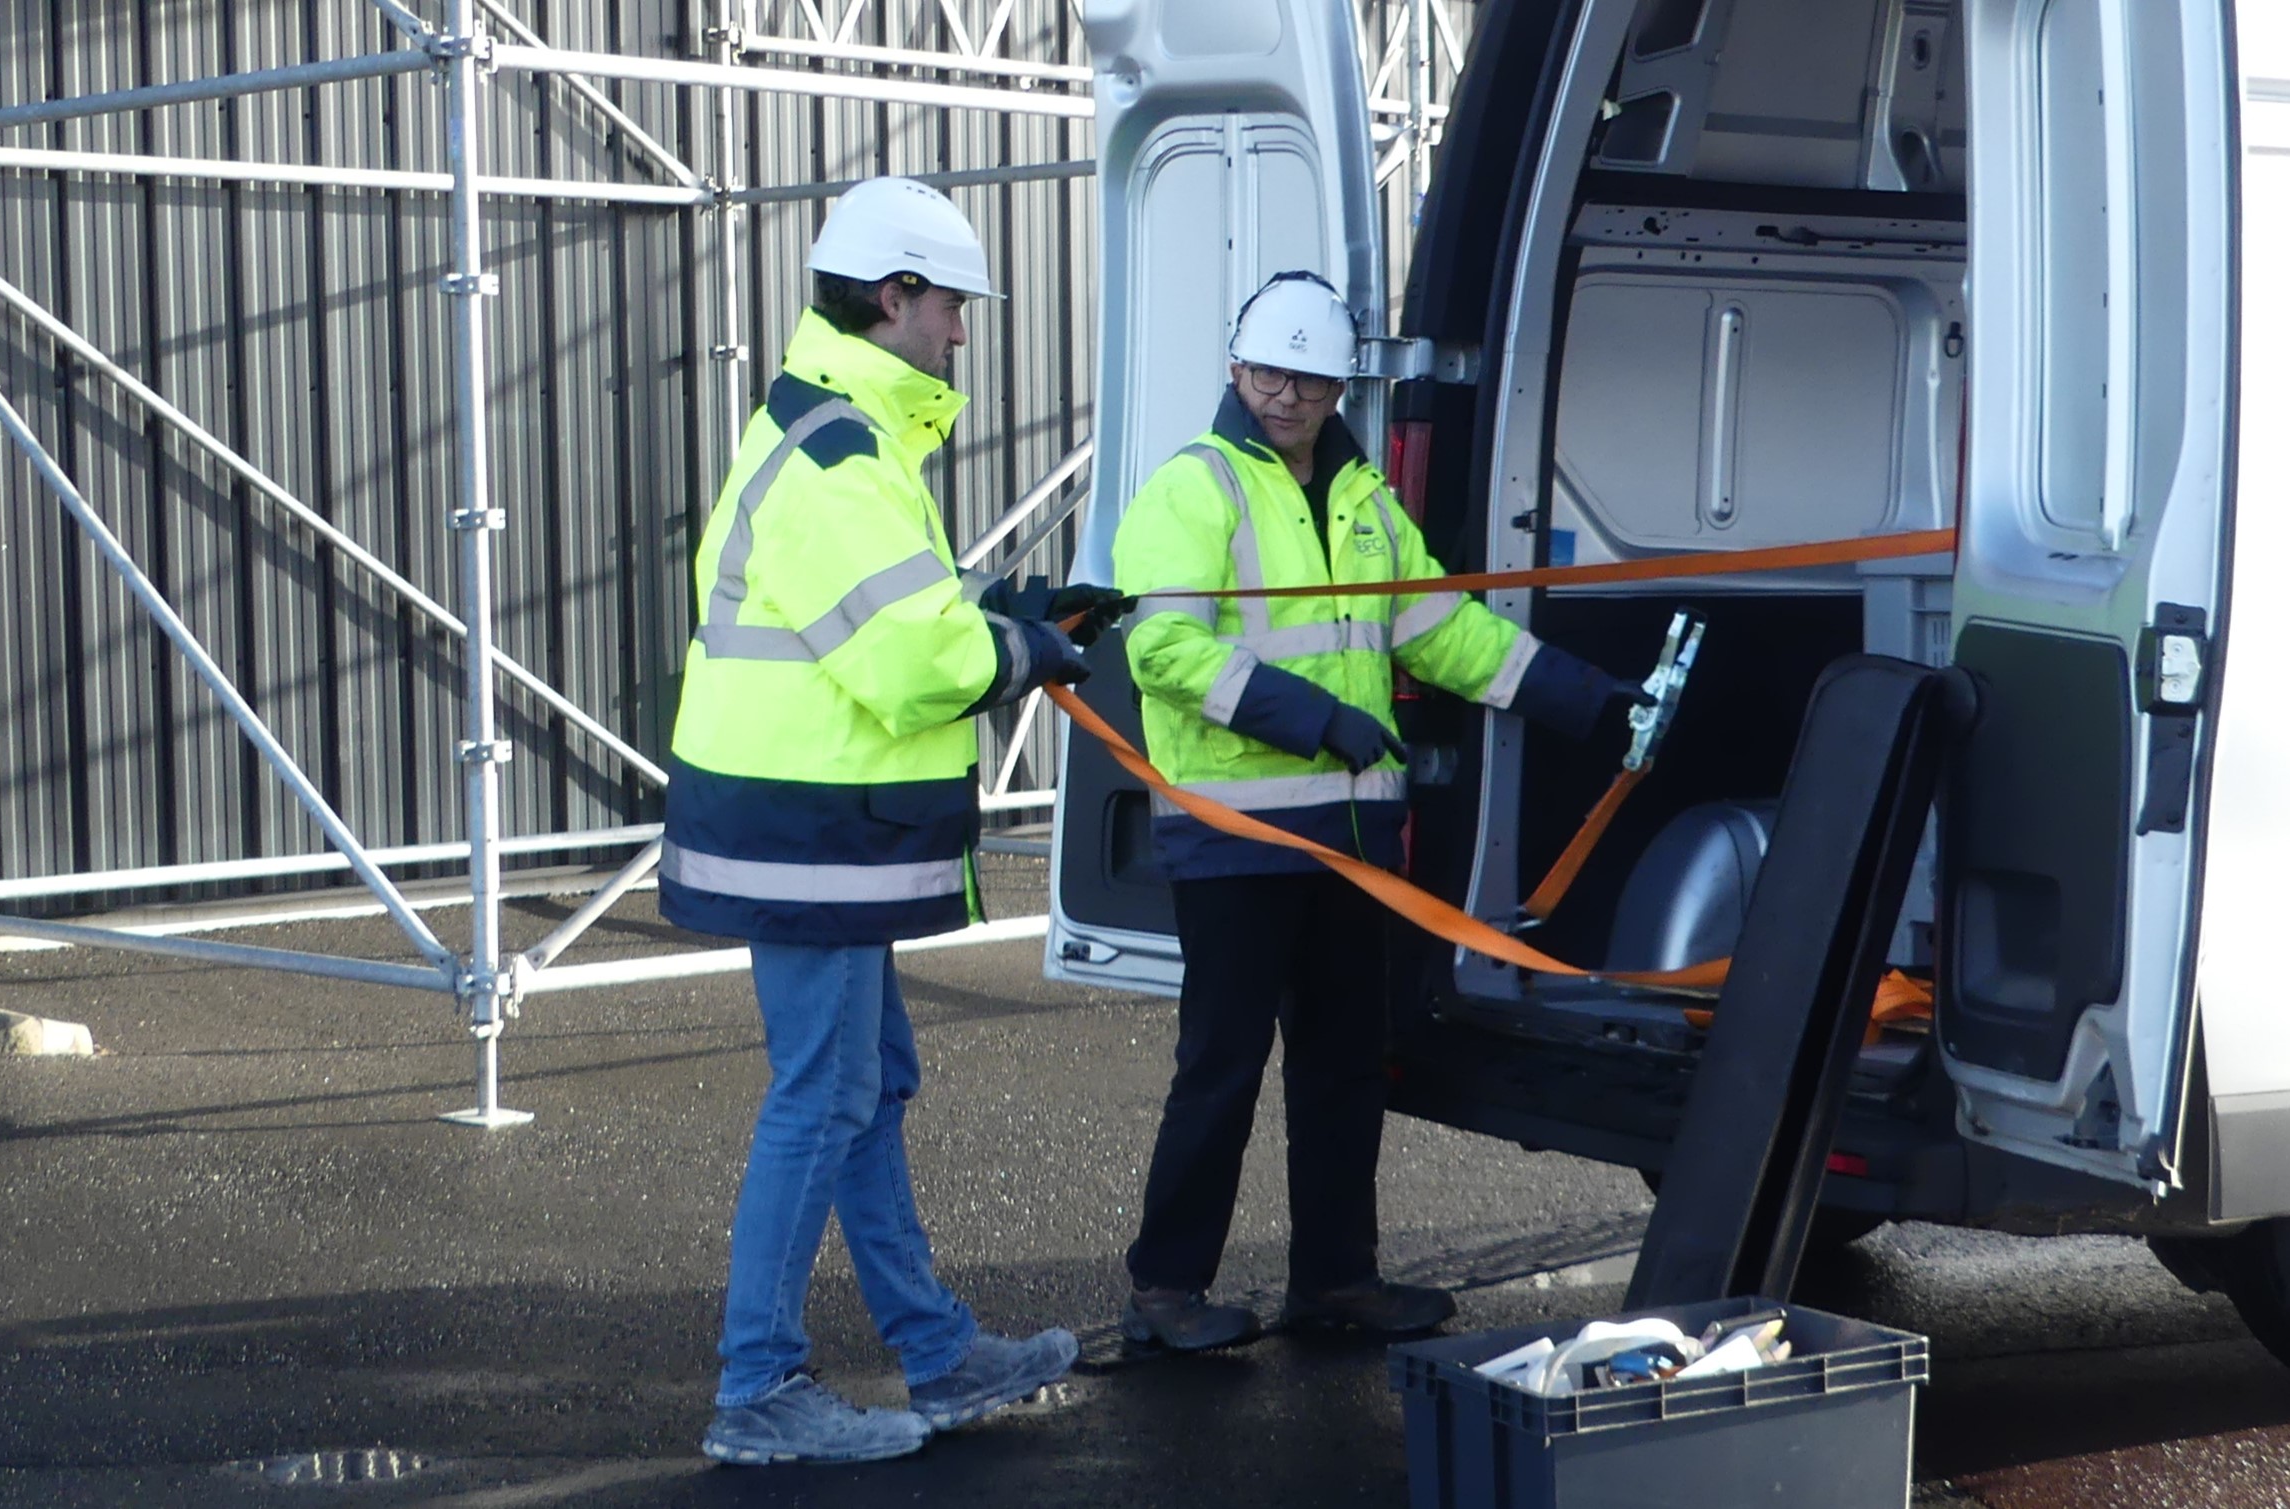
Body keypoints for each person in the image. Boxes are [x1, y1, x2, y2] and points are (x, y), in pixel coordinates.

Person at [660, 176, 1126, 1464]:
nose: (964, 335)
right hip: (802, 823)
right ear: (895, 295)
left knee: (868, 1082)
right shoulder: (840, 449)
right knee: (822, 1093)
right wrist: (1024, 651)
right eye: (953, 308)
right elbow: (907, 661)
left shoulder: (845, 429)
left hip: (814, 819)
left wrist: (1021, 610)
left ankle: (936, 1354)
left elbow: (902, 616)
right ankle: (757, 1393)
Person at [1109, 271, 1652, 1351]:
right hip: (1238, 840)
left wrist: (1589, 703)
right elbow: (1160, 650)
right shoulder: (1195, 487)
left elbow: (1445, 632)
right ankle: (1165, 1292)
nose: (1287, 397)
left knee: (1344, 1067)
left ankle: (1337, 1279)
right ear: (1236, 371)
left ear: (1336, 388)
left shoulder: (1364, 502)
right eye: (1270, 374)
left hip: (1352, 847)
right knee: (1221, 1070)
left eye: (1309, 381)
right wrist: (1310, 718)